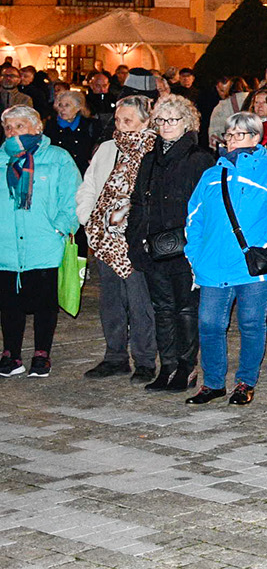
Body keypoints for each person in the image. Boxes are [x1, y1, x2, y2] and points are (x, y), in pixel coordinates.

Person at [182, 111, 267, 405]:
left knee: (251, 323)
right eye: (229, 134)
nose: (231, 140)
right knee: (209, 324)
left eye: (239, 134)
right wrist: (194, 254)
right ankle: (214, 382)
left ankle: (245, 382)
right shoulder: (211, 174)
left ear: (256, 138)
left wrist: (264, 247)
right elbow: (194, 217)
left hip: (253, 267)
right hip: (213, 265)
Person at [127, 95, 217, 392]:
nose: (166, 125)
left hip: (186, 247)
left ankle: (187, 368)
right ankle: (167, 366)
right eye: (161, 120)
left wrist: (199, 246)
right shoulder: (150, 158)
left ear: (187, 123)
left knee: (186, 309)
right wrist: (135, 238)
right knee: (162, 308)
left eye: (173, 119)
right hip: (153, 245)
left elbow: (207, 206)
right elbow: (138, 200)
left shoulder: (199, 158)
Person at [76, 94, 159, 382]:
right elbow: (89, 185)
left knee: (140, 302)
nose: (122, 126)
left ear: (146, 122)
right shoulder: (107, 148)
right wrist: (89, 218)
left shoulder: (154, 150)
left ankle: (146, 360)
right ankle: (115, 357)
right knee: (110, 300)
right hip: (104, 237)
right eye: (119, 120)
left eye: (129, 120)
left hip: (135, 239)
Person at [0, 105, 81, 378]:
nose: (12, 133)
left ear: (36, 128)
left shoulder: (57, 158)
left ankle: (41, 353)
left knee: (45, 301)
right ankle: (10, 353)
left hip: (44, 243)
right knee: (9, 302)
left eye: (19, 127)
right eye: (8, 128)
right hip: (7, 245)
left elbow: (72, 197)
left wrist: (60, 228)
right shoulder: (1, 158)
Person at [44, 89, 98, 175]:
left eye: (67, 105)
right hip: (57, 171)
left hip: (82, 172)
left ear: (78, 108)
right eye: (60, 105)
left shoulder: (89, 125)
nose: (62, 109)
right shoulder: (51, 125)